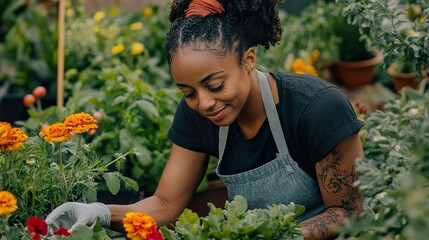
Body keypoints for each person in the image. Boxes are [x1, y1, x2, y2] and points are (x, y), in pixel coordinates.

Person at [46, 0, 365, 239]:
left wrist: (279, 235)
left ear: (248, 59)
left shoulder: (317, 108)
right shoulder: (197, 115)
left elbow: (347, 212)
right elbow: (167, 204)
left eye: (215, 85)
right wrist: (99, 213)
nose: (204, 103)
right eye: (188, 92)